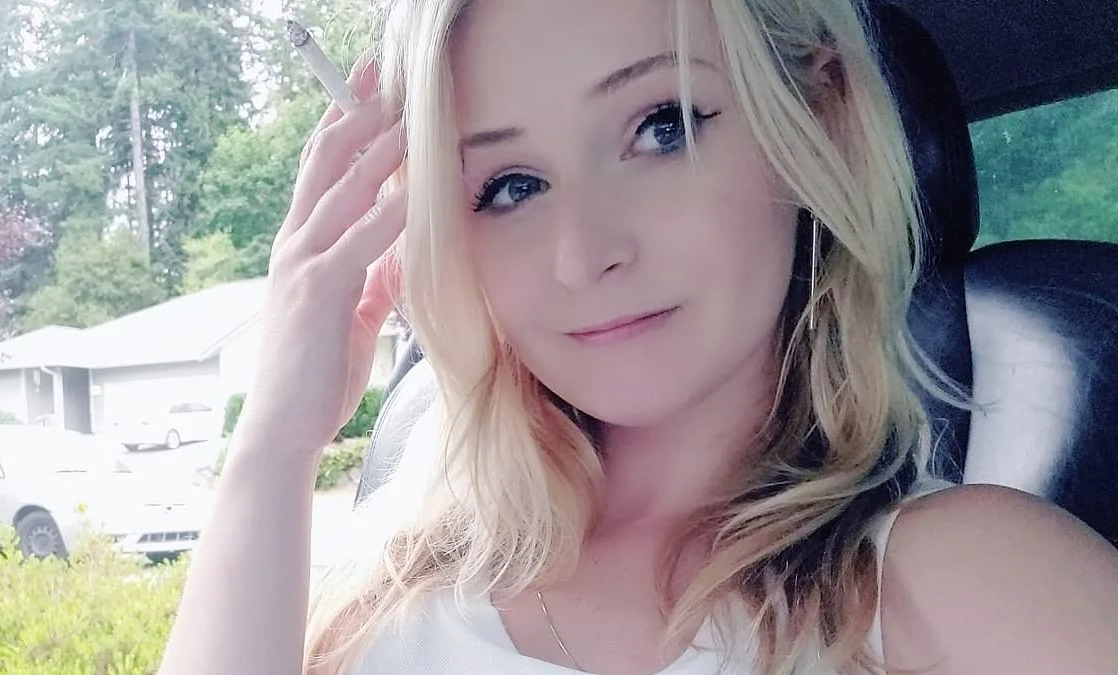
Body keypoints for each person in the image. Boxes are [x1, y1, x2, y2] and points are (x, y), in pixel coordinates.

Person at [158, 0, 1118, 673]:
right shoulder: (384, 576)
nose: (583, 254)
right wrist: (275, 441)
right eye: (509, 186)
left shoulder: (968, 579)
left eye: (663, 127)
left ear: (819, 122)